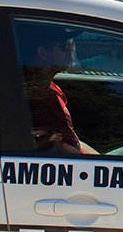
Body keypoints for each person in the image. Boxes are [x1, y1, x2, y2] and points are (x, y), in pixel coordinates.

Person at [17, 22, 97, 155]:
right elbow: (62, 147)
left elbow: (71, 140)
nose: (70, 51)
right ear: (43, 53)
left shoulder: (50, 87)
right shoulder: (38, 99)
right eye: (64, 46)